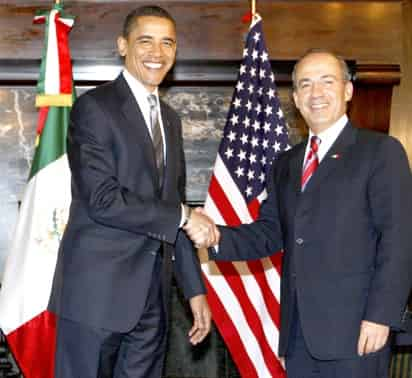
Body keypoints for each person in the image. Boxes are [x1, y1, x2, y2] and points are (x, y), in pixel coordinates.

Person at [187, 50, 412, 377]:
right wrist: (216, 235)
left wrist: (381, 316)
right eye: (305, 85)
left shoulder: (380, 152)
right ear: (295, 98)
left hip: (358, 333)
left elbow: (400, 240)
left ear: (348, 91)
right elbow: (269, 233)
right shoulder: (287, 164)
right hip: (297, 338)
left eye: (327, 81)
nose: (316, 93)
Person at [49, 6, 218, 378]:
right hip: (96, 296)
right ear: (123, 46)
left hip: (153, 301)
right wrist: (186, 217)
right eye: (146, 41)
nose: (157, 53)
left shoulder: (171, 120)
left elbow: (173, 207)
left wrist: (194, 290)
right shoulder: (93, 108)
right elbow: (103, 200)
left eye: (167, 42)